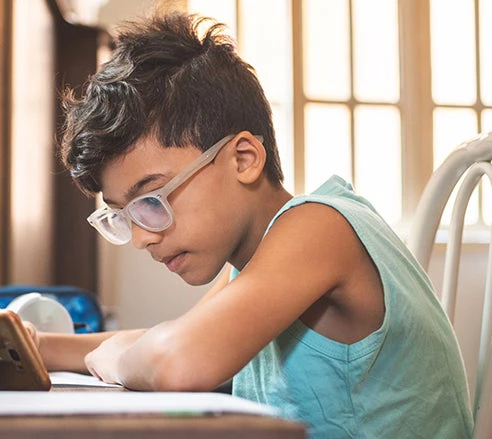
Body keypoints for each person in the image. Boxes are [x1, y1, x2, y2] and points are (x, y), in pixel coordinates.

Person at [29, 12, 473, 438]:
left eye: (152, 199)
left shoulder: (319, 228)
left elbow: (180, 360)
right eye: (123, 215)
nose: (143, 237)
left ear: (244, 159)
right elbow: (174, 339)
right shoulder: (253, 259)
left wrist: (117, 358)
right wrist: (36, 346)